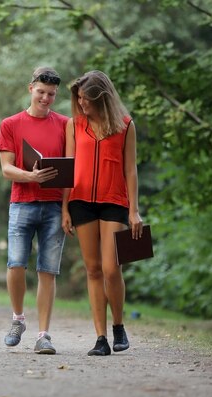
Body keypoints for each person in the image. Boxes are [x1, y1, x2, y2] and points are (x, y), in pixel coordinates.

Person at [61, 70, 141, 356]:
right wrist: (64, 208)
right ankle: (100, 338)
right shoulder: (74, 125)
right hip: (81, 201)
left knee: (111, 268)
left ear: (102, 98)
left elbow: (130, 170)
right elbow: (69, 167)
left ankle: (119, 326)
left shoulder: (126, 126)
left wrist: (135, 211)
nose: (81, 104)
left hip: (114, 200)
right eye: (79, 99)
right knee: (93, 269)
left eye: (86, 99)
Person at [0, 67, 69, 354]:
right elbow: (6, 168)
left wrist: (67, 209)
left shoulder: (66, 124)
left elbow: (71, 170)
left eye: (51, 94)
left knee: (48, 271)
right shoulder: (11, 124)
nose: (45, 98)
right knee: (16, 263)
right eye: (41, 92)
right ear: (30, 89)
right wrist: (31, 176)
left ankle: (44, 334)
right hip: (22, 202)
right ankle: (18, 319)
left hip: (53, 206)